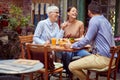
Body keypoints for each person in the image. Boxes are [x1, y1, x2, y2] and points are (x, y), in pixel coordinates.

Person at [64, 1, 115, 80]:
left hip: (103, 59)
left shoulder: (94, 20)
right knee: (82, 65)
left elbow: (87, 39)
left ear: (89, 11)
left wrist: (71, 45)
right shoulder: (105, 20)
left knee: (71, 66)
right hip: (112, 59)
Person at [56, 6, 90, 75]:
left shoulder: (80, 23)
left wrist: (72, 40)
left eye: (76, 11)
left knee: (89, 56)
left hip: (78, 49)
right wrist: (62, 30)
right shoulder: (64, 24)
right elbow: (59, 39)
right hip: (67, 49)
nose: (75, 13)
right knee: (67, 55)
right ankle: (70, 74)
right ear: (68, 13)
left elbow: (82, 38)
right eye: (73, 11)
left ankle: (81, 74)